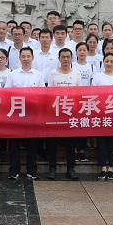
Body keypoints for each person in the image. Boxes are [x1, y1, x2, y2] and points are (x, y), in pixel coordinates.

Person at [5, 47, 44, 180]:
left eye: (28, 56)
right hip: (16, 114)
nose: (26, 59)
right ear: (19, 58)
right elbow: (7, 93)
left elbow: (42, 94)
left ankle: (31, 170)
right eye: (23, 56)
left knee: (32, 143)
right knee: (15, 143)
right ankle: (14, 170)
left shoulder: (38, 75)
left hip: (32, 114)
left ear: (32, 58)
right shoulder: (13, 74)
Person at [92, 52, 113, 180]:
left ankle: (111, 168)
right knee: (101, 142)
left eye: (111, 61)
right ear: (103, 62)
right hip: (101, 113)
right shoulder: (98, 77)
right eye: (107, 61)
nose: (109, 63)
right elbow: (93, 94)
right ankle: (102, 168)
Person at [47, 48, 80, 180]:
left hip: (71, 113)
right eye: (63, 57)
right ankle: (52, 168)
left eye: (68, 57)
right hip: (55, 113)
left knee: (71, 143)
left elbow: (79, 93)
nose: (65, 59)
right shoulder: (53, 73)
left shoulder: (76, 73)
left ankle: (70, 169)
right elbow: (49, 93)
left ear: (71, 58)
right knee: (52, 143)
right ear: (59, 59)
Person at [72, 42, 95, 162]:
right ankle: (74, 150)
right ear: (76, 52)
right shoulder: (72, 65)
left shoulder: (91, 66)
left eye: (84, 50)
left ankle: (82, 150)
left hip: (87, 100)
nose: (82, 52)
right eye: (79, 50)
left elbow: (93, 83)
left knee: (84, 124)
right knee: (74, 124)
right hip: (73, 99)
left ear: (87, 52)